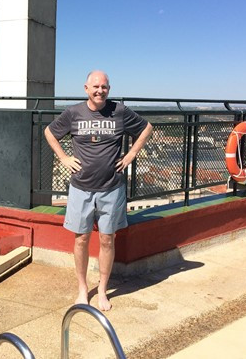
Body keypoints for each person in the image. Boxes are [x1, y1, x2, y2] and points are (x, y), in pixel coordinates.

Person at [44, 70, 153, 311]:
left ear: (108, 89)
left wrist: (132, 154)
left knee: (107, 239)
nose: (99, 91)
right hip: (81, 187)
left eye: (104, 87)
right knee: (81, 239)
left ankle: (102, 289)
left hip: (111, 188)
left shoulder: (120, 111)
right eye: (95, 86)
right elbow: (49, 132)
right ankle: (83, 289)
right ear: (86, 88)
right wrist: (63, 157)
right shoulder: (73, 113)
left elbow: (146, 128)